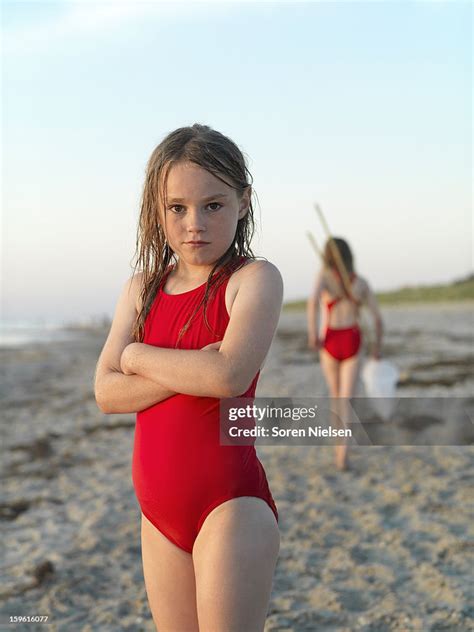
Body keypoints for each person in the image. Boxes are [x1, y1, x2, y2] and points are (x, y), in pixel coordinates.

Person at [94, 123, 283, 632]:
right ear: (157, 208)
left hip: (231, 504)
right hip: (157, 516)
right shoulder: (141, 290)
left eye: (213, 205)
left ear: (243, 202)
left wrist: (135, 354)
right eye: (177, 207)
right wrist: (181, 362)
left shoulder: (253, 280)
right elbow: (107, 393)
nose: (194, 223)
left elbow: (227, 374)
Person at [307, 237, 383, 470]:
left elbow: (312, 304)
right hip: (351, 338)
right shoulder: (360, 283)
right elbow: (377, 319)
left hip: (331, 339)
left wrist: (313, 335)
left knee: (337, 397)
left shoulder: (325, 277)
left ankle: (340, 449)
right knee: (345, 399)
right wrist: (376, 348)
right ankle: (342, 453)